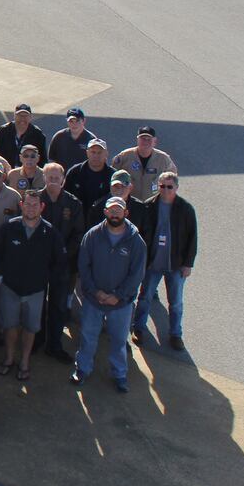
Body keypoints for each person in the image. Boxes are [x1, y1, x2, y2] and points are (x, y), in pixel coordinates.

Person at [72, 197, 147, 393]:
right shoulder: (92, 236)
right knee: (88, 337)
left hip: (121, 304)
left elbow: (137, 273)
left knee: (119, 340)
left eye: (118, 210)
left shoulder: (136, 241)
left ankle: (120, 375)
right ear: (105, 212)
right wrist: (95, 291)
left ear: (125, 213)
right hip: (93, 300)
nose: (115, 213)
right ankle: (82, 369)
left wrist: (119, 295)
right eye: (111, 210)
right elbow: (84, 266)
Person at [0, 190, 62, 381]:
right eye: (27, 204)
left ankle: (24, 361)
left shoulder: (50, 232)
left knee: (30, 328)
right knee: (10, 325)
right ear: (21, 205)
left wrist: (44, 279)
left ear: (42, 207)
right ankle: (8, 358)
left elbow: (58, 262)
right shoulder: (8, 228)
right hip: (10, 287)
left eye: (35, 205)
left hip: (36, 290)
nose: (31, 208)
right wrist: (2, 276)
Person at [131, 171, 197, 351]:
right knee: (144, 297)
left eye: (169, 186)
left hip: (175, 264)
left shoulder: (186, 209)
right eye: (162, 186)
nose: (165, 190)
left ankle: (176, 334)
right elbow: (140, 235)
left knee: (175, 302)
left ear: (176, 187)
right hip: (153, 263)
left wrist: (188, 264)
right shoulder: (148, 206)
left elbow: (192, 238)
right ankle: (139, 328)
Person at [38, 162, 86, 362]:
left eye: (57, 178)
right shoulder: (35, 199)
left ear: (63, 180)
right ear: (44, 179)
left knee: (58, 306)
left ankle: (54, 345)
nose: (53, 182)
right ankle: (37, 341)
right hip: (39, 262)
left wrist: (64, 253)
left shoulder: (73, 203)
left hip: (63, 264)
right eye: (50, 178)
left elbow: (78, 233)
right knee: (38, 304)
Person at [114, 126, 178, 201]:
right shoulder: (125, 156)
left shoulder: (163, 159)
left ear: (155, 141)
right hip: (130, 202)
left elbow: (173, 179)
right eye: (143, 139)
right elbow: (113, 175)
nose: (145, 141)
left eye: (149, 139)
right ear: (137, 140)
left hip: (153, 203)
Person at [65, 139, 115, 221]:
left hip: (103, 222)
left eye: (99, 152)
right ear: (87, 153)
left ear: (106, 154)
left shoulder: (113, 176)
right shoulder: (74, 172)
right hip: (77, 220)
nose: (96, 155)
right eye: (93, 152)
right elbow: (65, 197)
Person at [0, 104, 47, 169]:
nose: (22, 118)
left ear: (30, 117)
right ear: (14, 116)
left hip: (28, 172)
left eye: (25, 116)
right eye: (20, 115)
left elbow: (42, 159)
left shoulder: (37, 134)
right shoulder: (3, 131)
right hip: (5, 172)